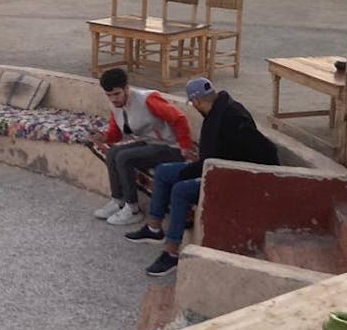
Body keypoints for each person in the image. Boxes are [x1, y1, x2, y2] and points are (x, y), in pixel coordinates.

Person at [125, 77, 280, 276]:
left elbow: (260, 150)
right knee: (164, 171)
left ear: (197, 101)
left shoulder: (232, 116)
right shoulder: (218, 111)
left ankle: (172, 253)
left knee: (180, 190)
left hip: (232, 176)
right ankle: (154, 229)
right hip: (213, 167)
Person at [92, 68, 196, 226]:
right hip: (150, 143)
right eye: (109, 95)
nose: (113, 99)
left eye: (117, 94)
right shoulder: (117, 106)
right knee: (113, 152)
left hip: (171, 146)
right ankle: (118, 201)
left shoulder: (147, 100)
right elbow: (116, 133)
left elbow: (179, 119)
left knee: (124, 157)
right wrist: (104, 137)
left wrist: (185, 146)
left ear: (127, 88)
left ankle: (133, 209)